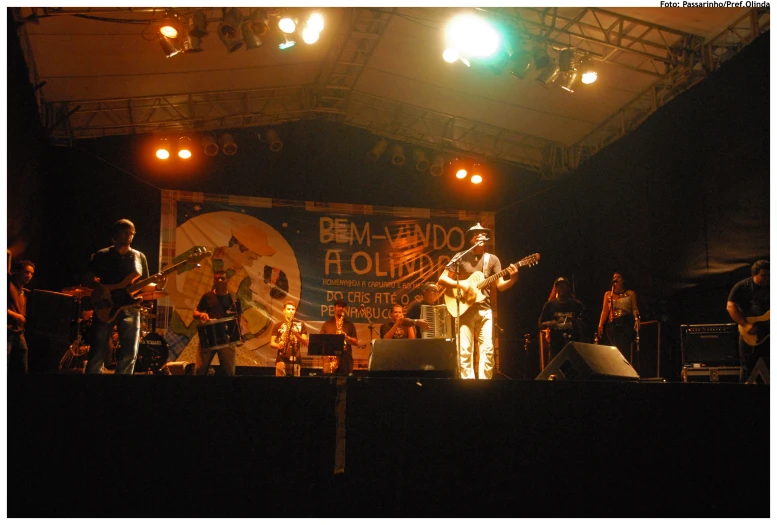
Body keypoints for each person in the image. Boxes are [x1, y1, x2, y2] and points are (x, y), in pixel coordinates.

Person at [83, 219, 166, 375]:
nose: (129, 236)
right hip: (105, 306)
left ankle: (121, 387)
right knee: (97, 350)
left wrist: (159, 285)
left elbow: (143, 286)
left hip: (130, 307)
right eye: (125, 232)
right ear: (116, 234)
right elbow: (88, 278)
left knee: (130, 353)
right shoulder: (102, 255)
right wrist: (101, 287)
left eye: (132, 233)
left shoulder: (139, 257)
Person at [437, 223, 518, 380]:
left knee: (487, 349)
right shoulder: (460, 257)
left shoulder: (492, 259)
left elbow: (500, 286)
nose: (481, 235)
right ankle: (468, 387)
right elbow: (442, 279)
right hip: (464, 309)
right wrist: (463, 285)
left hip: (485, 309)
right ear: (470, 239)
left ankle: (484, 385)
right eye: (477, 234)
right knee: (465, 349)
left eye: (483, 233)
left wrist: (513, 279)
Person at [192, 269, 243, 375]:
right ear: (214, 281)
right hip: (209, 336)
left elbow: (239, 319)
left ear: (227, 281)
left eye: (222, 278)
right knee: (200, 370)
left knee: (229, 372)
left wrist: (239, 337)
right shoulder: (208, 296)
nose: (220, 280)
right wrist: (202, 315)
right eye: (217, 278)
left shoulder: (234, 299)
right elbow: (195, 312)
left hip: (227, 339)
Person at [727, 260, 769, 382]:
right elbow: (730, 306)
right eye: (763, 275)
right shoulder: (743, 286)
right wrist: (745, 325)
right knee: (748, 369)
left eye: (769, 275)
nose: (767, 278)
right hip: (752, 333)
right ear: (754, 274)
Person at [538, 277, 586, 361]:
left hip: (573, 346)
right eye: (559, 286)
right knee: (554, 371)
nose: (561, 289)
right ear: (555, 288)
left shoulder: (577, 305)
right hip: (556, 347)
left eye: (564, 286)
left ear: (568, 288)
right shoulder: (549, 305)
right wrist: (549, 323)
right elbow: (540, 324)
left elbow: (585, 325)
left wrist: (574, 322)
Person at [597, 272, 640, 364]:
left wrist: (637, 320)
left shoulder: (630, 294)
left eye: (618, 277)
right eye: (614, 277)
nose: (615, 279)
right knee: (614, 348)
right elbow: (604, 311)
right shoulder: (608, 294)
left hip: (626, 323)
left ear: (623, 280)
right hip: (612, 325)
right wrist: (600, 324)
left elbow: (635, 309)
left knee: (624, 348)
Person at [8, 260, 35, 375]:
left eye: (31, 273)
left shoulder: (23, 291)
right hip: (7, 331)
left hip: (18, 332)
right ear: (18, 272)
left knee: (22, 364)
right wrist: (15, 315)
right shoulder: (8, 285)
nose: (29, 276)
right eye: (26, 272)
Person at [320, 298, 360, 376]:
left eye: (343, 306)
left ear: (345, 309)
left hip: (345, 359)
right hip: (329, 359)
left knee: (345, 385)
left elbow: (356, 342)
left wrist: (347, 337)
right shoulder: (327, 324)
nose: (341, 308)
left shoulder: (350, 324)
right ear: (334, 308)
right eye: (339, 306)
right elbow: (321, 341)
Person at [270, 300, 308, 377]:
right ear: (284, 311)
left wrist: (296, 334)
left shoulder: (301, 325)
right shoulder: (278, 325)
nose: (291, 311)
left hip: (295, 360)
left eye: (293, 309)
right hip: (281, 359)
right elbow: (271, 343)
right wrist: (278, 345)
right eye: (288, 309)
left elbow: (305, 342)